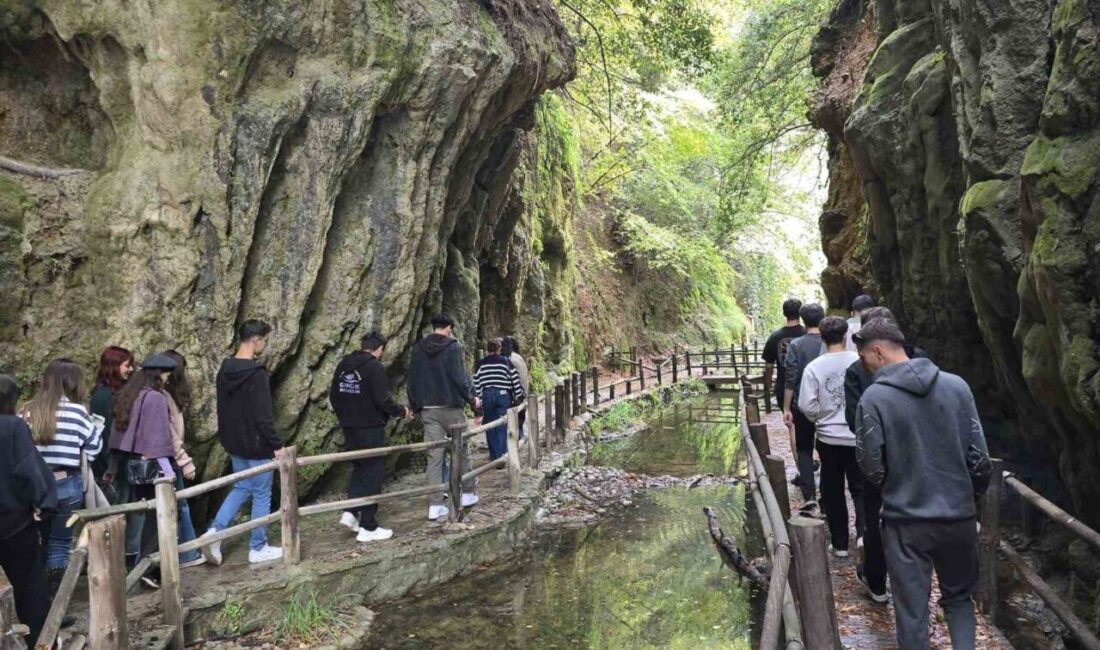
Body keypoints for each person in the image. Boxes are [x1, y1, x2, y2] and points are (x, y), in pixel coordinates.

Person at [854, 319, 991, 650]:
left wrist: (897, 485)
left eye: (864, 358)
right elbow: (980, 460)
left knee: (911, 611)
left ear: (878, 350)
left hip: (905, 521)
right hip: (957, 515)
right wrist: (968, 497)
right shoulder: (957, 386)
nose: (864, 366)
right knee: (960, 601)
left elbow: (870, 466)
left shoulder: (874, 399)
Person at [843, 306, 928, 603]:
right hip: (922, 457)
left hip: (880, 461)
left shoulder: (857, 372)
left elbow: (854, 417)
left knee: (876, 519)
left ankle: (878, 582)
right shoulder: (924, 362)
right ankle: (916, 582)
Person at [201, 319, 286, 565]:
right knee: (261, 494)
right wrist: (276, 445)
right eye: (265, 341)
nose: (265, 346)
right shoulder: (256, 375)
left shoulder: (224, 370)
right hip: (257, 445)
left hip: (234, 443)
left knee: (241, 488)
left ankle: (215, 533)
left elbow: (223, 409)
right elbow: (263, 416)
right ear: (256, 340)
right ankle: (258, 547)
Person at [22, 359, 104, 582]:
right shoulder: (78, 412)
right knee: (60, 542)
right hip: (67, 483)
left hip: (34, 486)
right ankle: (57, 598)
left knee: (39, 540)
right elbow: (94, 447)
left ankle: (38, 599)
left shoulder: (27, 412)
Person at [329, 332, 411, 542]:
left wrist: (346, 417)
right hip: (370, 426)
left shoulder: (344, 364)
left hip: (349, 427)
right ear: (379, 349)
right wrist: (401, 411)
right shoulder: (374, 367)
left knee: (359, 467)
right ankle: (368, 526)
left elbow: (334, 396)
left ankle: (351, 512)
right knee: (373, 471)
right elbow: (382, 399)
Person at [110, 354, 183, 585]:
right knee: (161, 517)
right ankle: (150, 568)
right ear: (159, 373)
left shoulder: (131, 395)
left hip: (131, 466)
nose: (168, 378)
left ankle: (144, 566)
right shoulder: (155, 399)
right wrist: (169, 472)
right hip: (152, 467)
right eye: (167, 374)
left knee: (145, 516)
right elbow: (158, 439)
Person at [797, 316, 862, 558]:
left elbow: (806, 404)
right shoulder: (860, 361)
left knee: (832, 489)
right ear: (845, 335)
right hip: (858, 436)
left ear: (823, 338)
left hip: (828, 437)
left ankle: (841, 543)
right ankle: (864, 535)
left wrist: (821, 418)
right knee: (860, 488)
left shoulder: (815, 367)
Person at [0, 374, 56, 647]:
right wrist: (45, 503)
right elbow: (29, 468)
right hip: (13, 522)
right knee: (30, 587)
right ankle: (40, 641)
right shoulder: (12, 427)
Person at [407, 314, 480, 521]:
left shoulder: (418, 348)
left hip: (428, 409)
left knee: (434, 456)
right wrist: (472, 400)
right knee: (462, 449)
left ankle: (435, 504)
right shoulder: (453, 347)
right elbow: (459, 377)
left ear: (434, 327)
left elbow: (412, 380)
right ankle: (467, 493)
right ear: (448, 328)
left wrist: (415, 405)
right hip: (451, 407)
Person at [162, 350, 205, 568]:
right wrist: (185, 461)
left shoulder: (165, 395)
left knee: (178, 506)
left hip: (170, 459)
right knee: (180, 506)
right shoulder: (163, 397)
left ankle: (182, 553)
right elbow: (170, 435)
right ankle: (187, 554)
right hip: (170, 460)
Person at [782, 303, 825, 509]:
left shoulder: (797, 345)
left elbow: (791, 378)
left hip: (802, 403)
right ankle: (827, 496)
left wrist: (786, 407)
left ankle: (810, 496)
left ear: (803, 319)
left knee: (805, 449)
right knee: (828, 450)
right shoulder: (831, 342)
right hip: (827, 404)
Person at [89, 345, 134, 487]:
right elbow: (105, 433)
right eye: (127, 365)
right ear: (114, 367)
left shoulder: (111, 394)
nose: (131, 369)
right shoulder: (104, 396)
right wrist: (111, 468)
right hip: (113, 468)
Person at [473, 339, 525, 460]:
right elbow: (515, 380)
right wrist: (518, 396)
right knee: (503, 425)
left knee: (489, 425)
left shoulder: (481, 364)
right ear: (499, 349)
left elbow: (476, 383)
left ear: (487, 350)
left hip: (487, 395)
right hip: (503, 395)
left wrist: (480, 400)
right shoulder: (506, 362)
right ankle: (502, 455)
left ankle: (494, 455)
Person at [762, 299, 804, 409]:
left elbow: (769, 365)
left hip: (782, 388)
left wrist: (768, 384)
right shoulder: (807, 334)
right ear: (800, 313)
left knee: (789, 422)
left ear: (784, 313)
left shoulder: (775, 336)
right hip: (805, 387)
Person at [503, 336, 531, 436]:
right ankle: (519, 440)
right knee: (519, 420)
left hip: (516, 395)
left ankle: (516, 443)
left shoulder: (510, 359)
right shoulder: (518, 357)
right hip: (523, 393)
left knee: (514, 421)